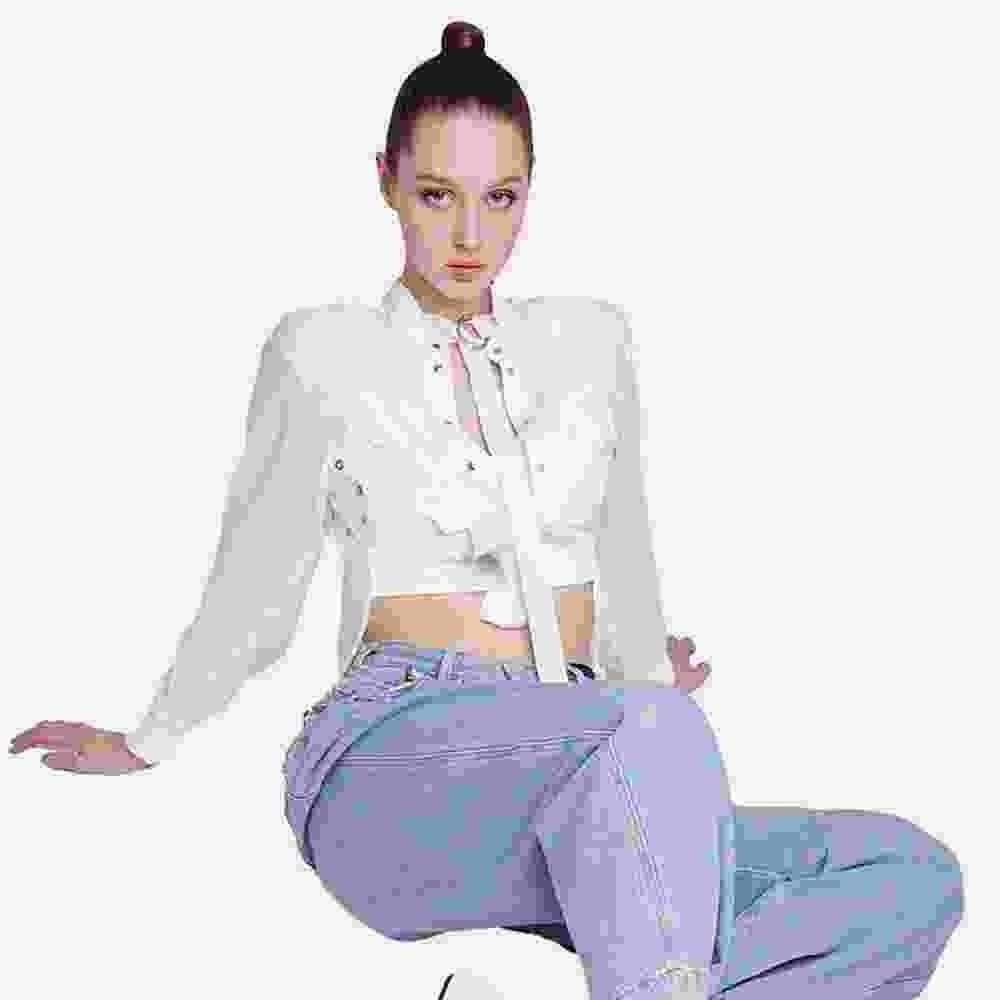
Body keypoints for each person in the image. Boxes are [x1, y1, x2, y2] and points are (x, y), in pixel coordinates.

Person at [8, 19, 964, 1000]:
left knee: (905, 877)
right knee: (653, 732)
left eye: (500, 198)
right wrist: (149, 737)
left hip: (581, 757)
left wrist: (637, 695)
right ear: (385, 182)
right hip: (393, 761)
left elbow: (625, 556)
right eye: (437, 195)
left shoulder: (593, 344)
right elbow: (257, 582)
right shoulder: (322, 352)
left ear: (528, 195)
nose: (471, 236)